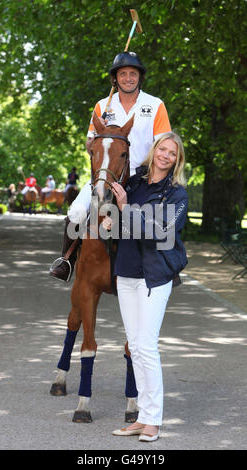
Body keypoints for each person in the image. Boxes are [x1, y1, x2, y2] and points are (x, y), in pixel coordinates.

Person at [50, 51, 171, 282]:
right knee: (76, 211)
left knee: (153, 221)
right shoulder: (102, 105)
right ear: (115, 78)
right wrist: (100, 132)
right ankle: (66, 260)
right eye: (122, 74)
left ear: (139, 78)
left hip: (141, 177)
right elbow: (89, 145)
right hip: (105, 176)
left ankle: (162, 266)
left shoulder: (155, 105)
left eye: (133, 74)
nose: (128, 78)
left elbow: (164, 145)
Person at [102, 132, 188, 441]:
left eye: (172, 153)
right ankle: (142, 415)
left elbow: (160, 231)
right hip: (126, 272)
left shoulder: (176, 194)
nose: (166, 155)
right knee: (135, 347)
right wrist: (110, 221)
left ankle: (154, 420)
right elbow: (113, 222)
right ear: (154, 150)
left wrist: (124, 211)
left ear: (177, 160)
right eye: (162, 149)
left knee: (147, 346)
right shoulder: (134, 184)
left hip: (155, 274)